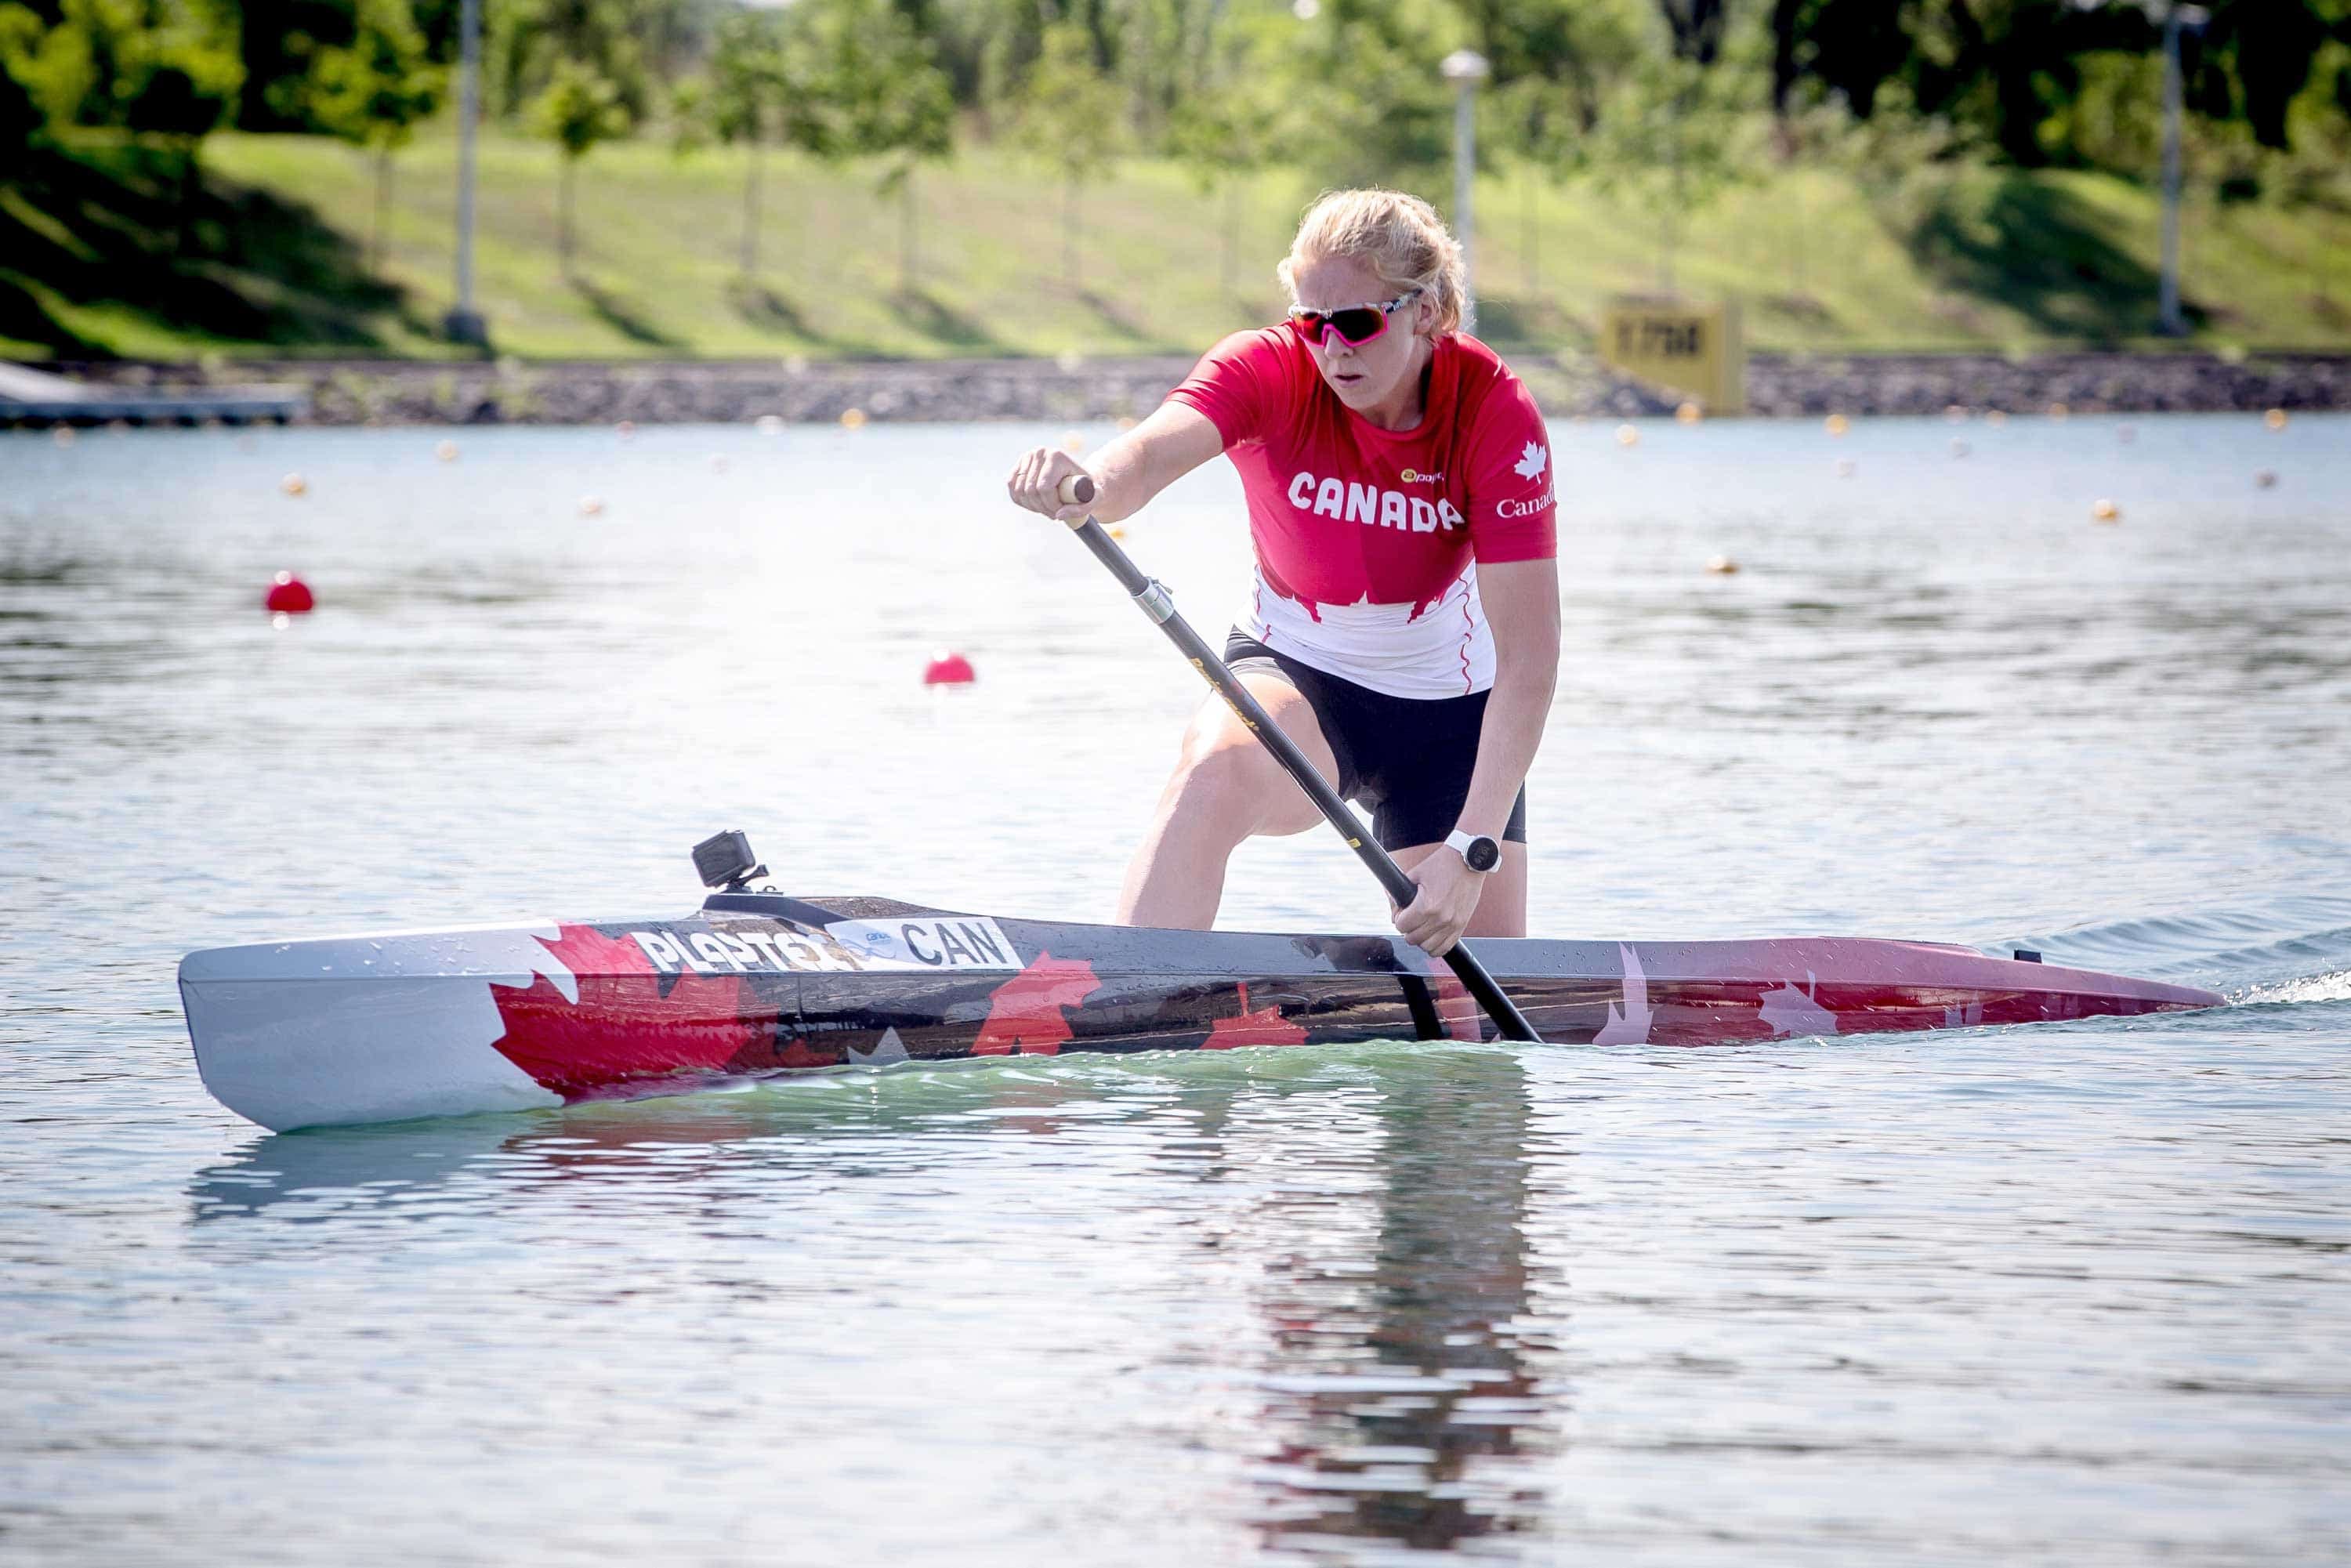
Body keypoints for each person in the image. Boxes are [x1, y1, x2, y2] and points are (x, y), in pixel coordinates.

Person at [1006, 189, 1559, 958]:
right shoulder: (1263, 369)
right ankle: (1115, 995)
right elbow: (1149, 454)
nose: (1333, 349)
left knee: (1485, 1001)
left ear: (1426, 310)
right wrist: (1087, 484)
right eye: (1312, 323)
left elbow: (1530, 660)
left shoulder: (1495, 412)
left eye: (1358, 324)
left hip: (1450, 716)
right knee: (1208, 780)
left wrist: (1473, 849)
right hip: (1301, 672)